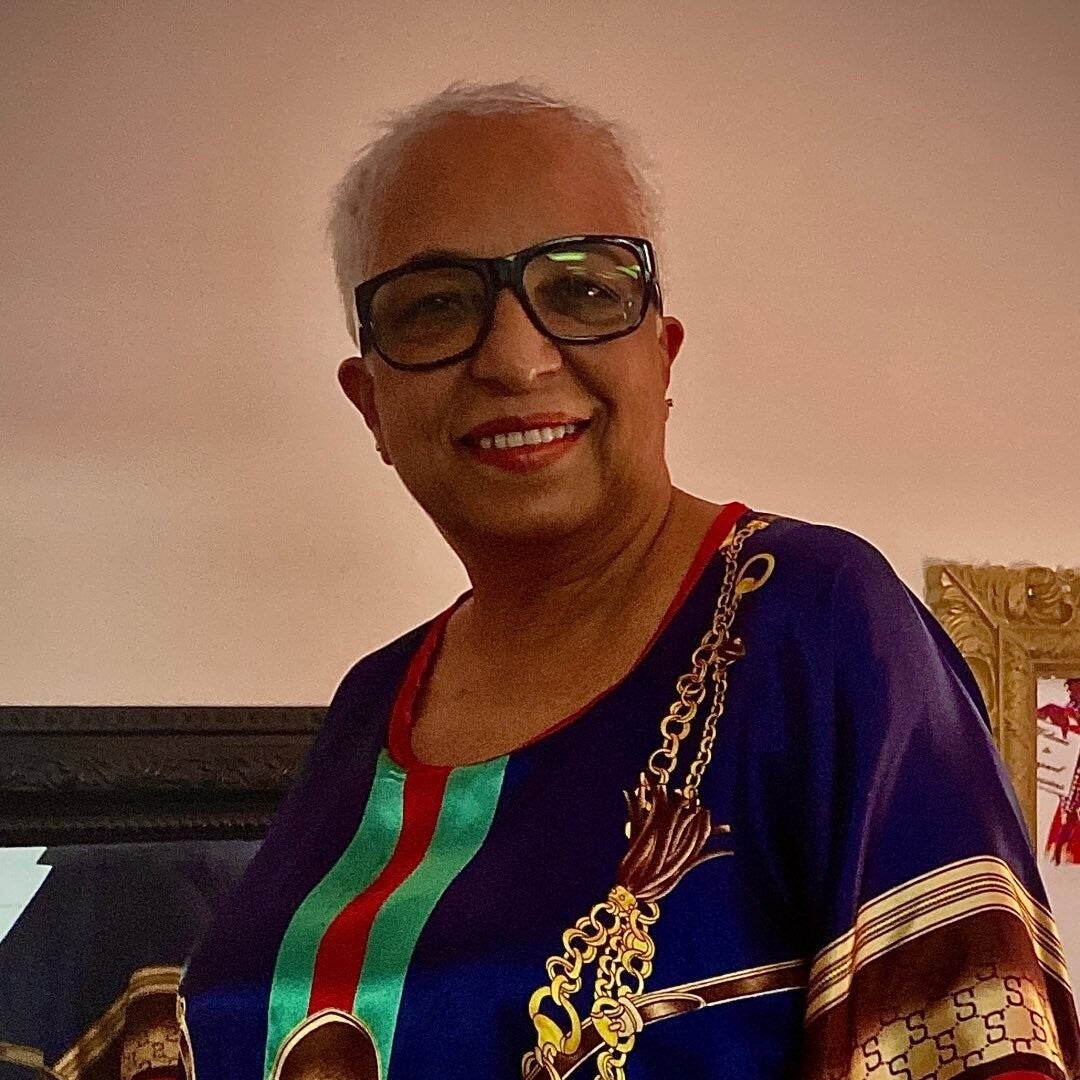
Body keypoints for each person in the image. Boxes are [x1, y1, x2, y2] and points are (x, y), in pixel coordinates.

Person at [178, 80, 1080, 1080]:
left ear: (663, 354)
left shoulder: (816, 625)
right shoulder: (370, 704)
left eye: (581, 291)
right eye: (435, 306)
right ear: (370, 404)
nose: (516, 359)